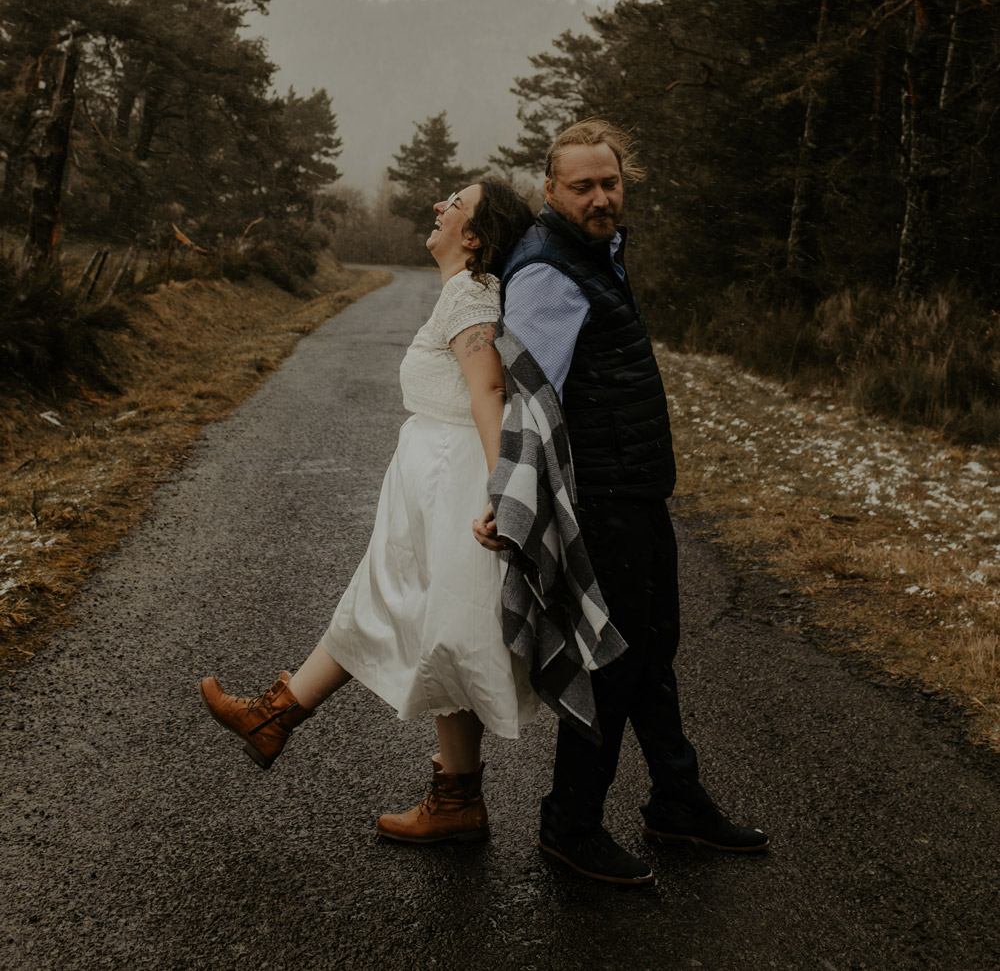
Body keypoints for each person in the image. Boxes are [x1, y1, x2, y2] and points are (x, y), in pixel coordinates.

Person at [200, 176, 538, 843]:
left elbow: (488, 388)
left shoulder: (470, 295)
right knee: (395, 610)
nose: (439, 206)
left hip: (456, 482)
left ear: (472, 236)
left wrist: (503, 488)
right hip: (434, 477)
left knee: (441, 630)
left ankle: (447, 796)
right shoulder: (463, 293)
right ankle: (282, 719)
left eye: (456, 204)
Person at [475, 118, 768, 885]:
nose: (602, 197)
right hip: (599, 496)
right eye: (584, 187)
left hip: (635, 486)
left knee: (652, 646)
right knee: (611, 659)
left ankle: (676, 797)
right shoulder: (547, 270)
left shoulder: (595, 253)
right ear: (550, 189)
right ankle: (570, 822)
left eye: (611, 183)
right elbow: (526, 402)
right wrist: (508, 499)